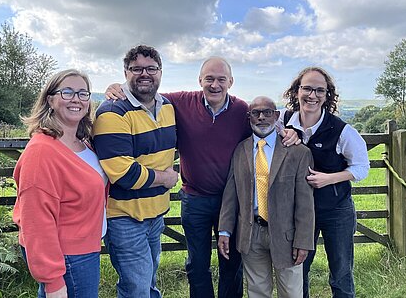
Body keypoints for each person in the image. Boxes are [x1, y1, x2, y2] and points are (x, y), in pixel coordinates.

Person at [105, 56, 300, 298]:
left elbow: (266, 123)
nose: (214, 85)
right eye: (209, 79)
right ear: (200, 80)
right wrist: (118, 87)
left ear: (230, 81)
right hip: (194, 199)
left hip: (233, 201)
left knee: (232, 261)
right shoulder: (178, 102)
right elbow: (146, 92)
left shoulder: (241, 110)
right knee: (197, 264)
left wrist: (288, 133)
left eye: (221, 79)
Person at [93, 45, 179, 298]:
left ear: (160, 72)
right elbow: (123, 173)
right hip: (125, 218)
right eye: (137, 69)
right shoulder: (112, 111)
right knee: (137, 289)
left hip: (156, 215)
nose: (145, 74)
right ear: (125, 72)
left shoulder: (168, 107)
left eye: (151, 68)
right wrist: (166, 178)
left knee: (148, 282)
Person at [13, 69, 107, 298]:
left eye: (83, 93)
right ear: (50, 100)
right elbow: (36, 221)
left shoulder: (83, 143)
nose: (76, 99)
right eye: (67, 92)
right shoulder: (42, 151)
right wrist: (54, 282)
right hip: (68, 258)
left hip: (84, 250)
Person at [280, 67, 370, 298]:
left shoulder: (342, 130)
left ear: (328, 95)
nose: (313, 95)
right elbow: (259, 127)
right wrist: (283, 135)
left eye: (320, 90)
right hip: (299, 211)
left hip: (335, 209)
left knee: (340, 271)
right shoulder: (282, 120)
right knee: (298, 268)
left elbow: (361, 167)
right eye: (307, 88)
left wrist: (330, 178)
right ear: (296, 91)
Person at [218, 96, 315, 298]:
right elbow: (230, 194)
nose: (261, 117)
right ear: (249, 117)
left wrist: (303, 241)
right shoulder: (240, 150)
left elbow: (305, 203)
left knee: (291, 292)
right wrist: (225, 231)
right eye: (256, 113)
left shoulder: (298, 152)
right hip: (251, 233)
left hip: (286, 236)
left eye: (267, 112)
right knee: (257, 291)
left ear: (276, 116)